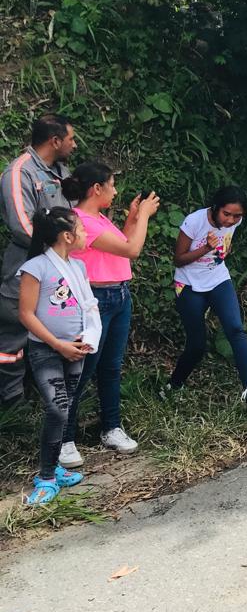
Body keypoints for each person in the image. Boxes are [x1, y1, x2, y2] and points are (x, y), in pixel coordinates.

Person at [58, 163, 160, 465]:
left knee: (111, 367)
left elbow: (121, 245)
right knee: (83, 370)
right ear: (96, 189)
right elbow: (132, 250)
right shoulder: (79, 222)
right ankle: (64, 438)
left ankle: (111, 427)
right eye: (112, 185)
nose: (115, 191)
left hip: (118, 295)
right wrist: (143, 216)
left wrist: (131, 217)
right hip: (95, 298)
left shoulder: (99, 218)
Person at [17, 208, 95, 505]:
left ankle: (56, 469)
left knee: (69, 403)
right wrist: (57, 344)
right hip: (46, 350)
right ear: (67, 236)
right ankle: (46, 475)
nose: (86, 234)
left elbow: (86, 306)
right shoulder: (36, 268)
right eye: (82, 230)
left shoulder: (79, 268)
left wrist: (87, 337)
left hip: (76, 348)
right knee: (58, 408)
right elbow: (25, 314)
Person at [168, 186, 247, 411]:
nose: (231, 220)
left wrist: (223, 250)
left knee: (235, 329)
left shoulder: (235, 222)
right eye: (227, 214)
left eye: (237, 216)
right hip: (189, 285)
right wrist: (206, 248)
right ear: (215, 208)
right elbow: (178, 259)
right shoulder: (194, 221)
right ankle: (173, 386)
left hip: (218, 280)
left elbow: (226, 243)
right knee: (197, 345)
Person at [0, 114, 76, 406]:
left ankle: (49, 397)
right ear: (54, 141)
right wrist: (58, 249)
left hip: (58, 273)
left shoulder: (61, 172)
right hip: (25, 271)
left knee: (53, 329)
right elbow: (22, 226)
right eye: (71, 138)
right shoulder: (20, 172)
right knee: (13, 338)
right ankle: (12, 403)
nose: (74, 144)